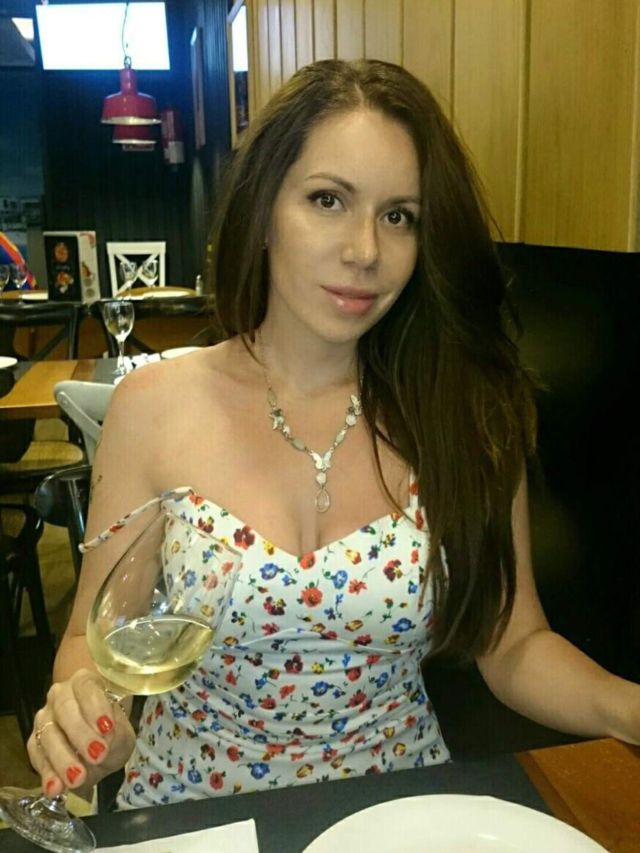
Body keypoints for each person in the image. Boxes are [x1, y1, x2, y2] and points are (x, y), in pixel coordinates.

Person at [27, 59, 640, 809]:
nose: (365, 250)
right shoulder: (151, 405)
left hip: (401, 808)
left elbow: (513, 643)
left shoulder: (467, 410)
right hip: (195, 810)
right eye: (328, 200)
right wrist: (87, 715)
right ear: (264, 209)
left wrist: (628, 707)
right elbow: (93, 640)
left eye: (398, 215)